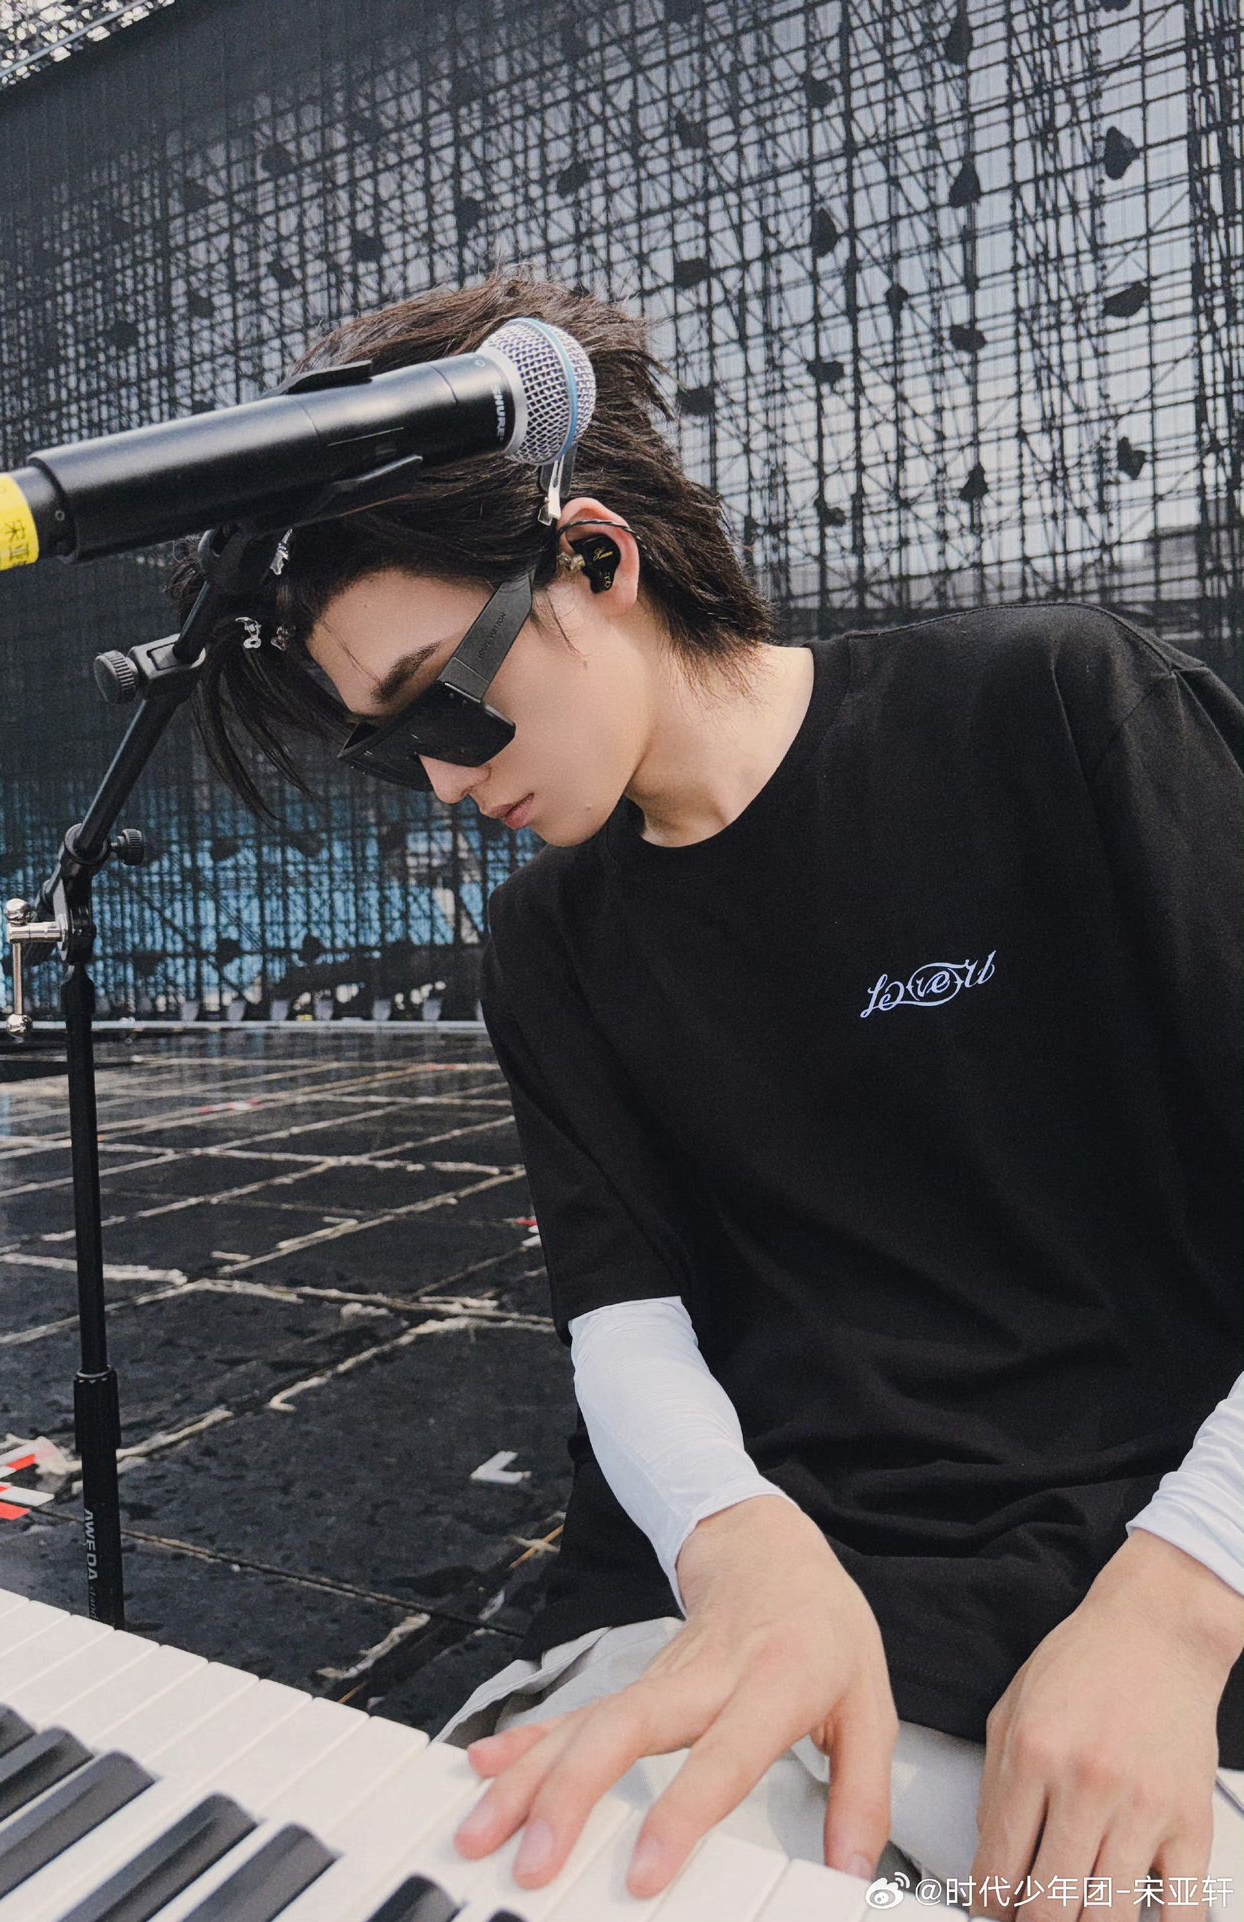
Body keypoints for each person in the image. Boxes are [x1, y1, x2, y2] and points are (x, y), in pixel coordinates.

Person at [170, 266, 1244, 1915]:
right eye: (388, 747)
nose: (442, 778)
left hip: (1159, 1620)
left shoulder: (1052, 708)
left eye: (440, 695)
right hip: (755, 1616)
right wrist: (739, 1549)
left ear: (594, 559)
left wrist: (1177, 1607)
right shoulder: (549, 943)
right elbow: (626, 1318)